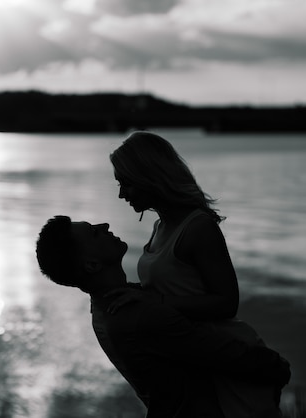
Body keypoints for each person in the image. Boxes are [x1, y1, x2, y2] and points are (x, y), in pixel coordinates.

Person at [35, 215, 290, 417]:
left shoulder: (104, 309)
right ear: (91, 265)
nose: (104, 225)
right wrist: (277, 366)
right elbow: (224, 353)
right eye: (93, 232)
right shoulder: (139, 315)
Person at [109, 131, 283, 417]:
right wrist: (136, 294)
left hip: (226, 358)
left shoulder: (198, 228)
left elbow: (227, 303)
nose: (121, 193)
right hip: (195, 354)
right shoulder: (161, 225)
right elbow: (177, 288)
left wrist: (153, 304)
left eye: (125, 183)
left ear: (148, 177)